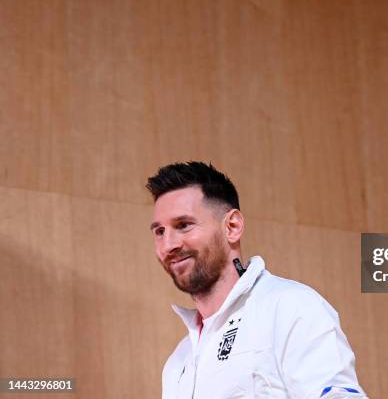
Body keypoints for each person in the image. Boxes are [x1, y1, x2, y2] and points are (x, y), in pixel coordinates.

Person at [146, 161, 367, 399]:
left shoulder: (291, 307)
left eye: (184, 225)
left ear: (232, 226)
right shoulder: (178, 361)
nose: (168, 245)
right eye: (160, 232)